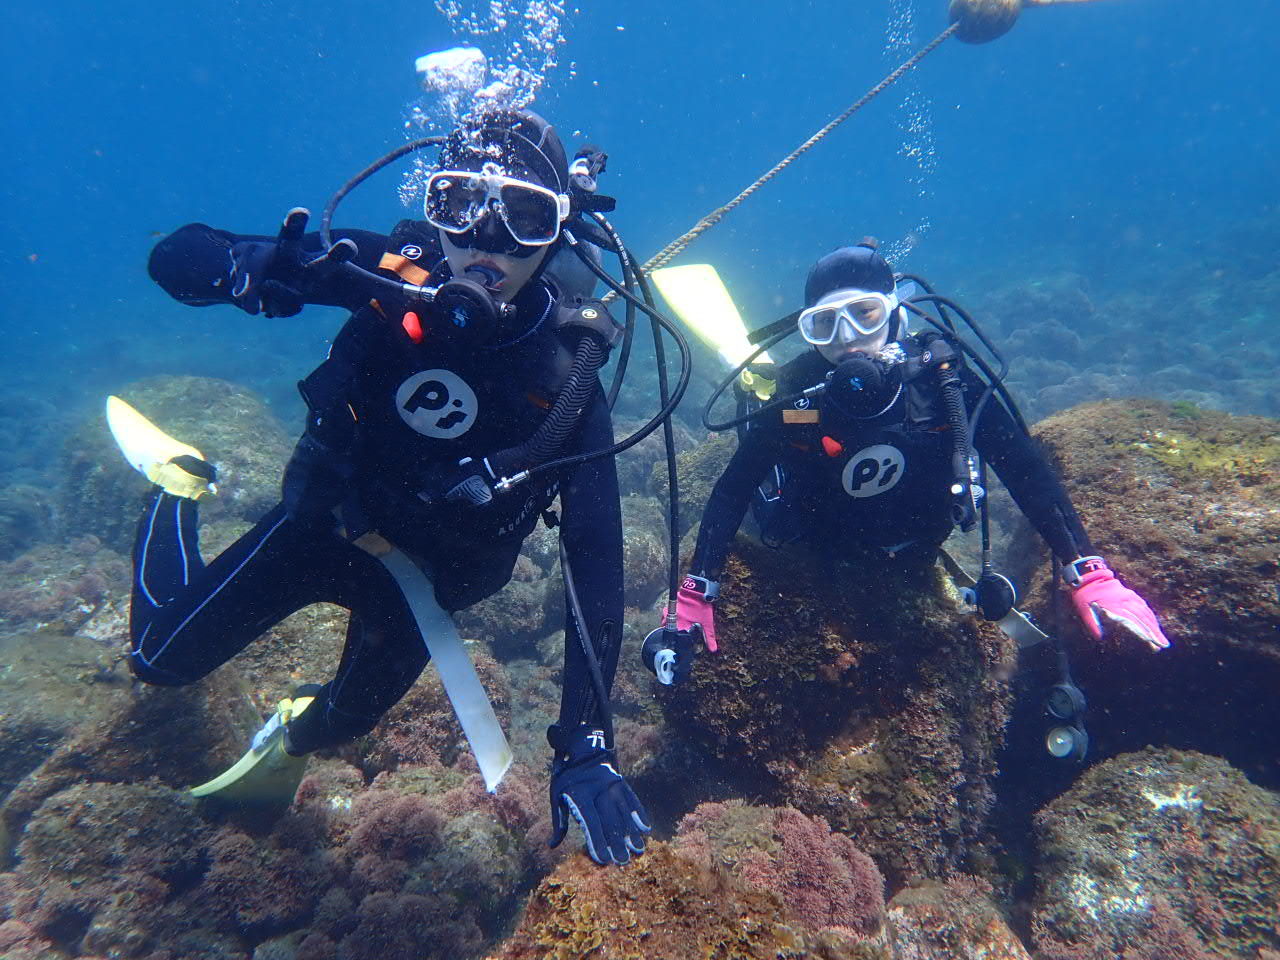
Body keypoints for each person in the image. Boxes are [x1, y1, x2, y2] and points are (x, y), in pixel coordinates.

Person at [115, 109, 650, 866]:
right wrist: (243, 266)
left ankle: (292, 730)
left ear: (556, 230)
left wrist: (588, 742)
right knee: (155, 662)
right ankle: (175, 490)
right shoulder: (382, 273)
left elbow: (595, 557)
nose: (483, 242)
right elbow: (177, 257)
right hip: (322, 528)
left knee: (340, 726)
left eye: (522, 218)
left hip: (423, 592)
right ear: (434, 208)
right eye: (460, 205)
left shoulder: (569, 378)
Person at [663, 239, 1169, 679]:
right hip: (811, 540)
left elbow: (1024, 470)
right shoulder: (801, 393)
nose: (847, 339)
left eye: (864, 314)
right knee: (763, 479)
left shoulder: (945, 382)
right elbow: (732, 488)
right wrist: (696, 589)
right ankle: (748, 380)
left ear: (895, 312)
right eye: (823, 325)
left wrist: (1087, 569)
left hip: (915, 543)